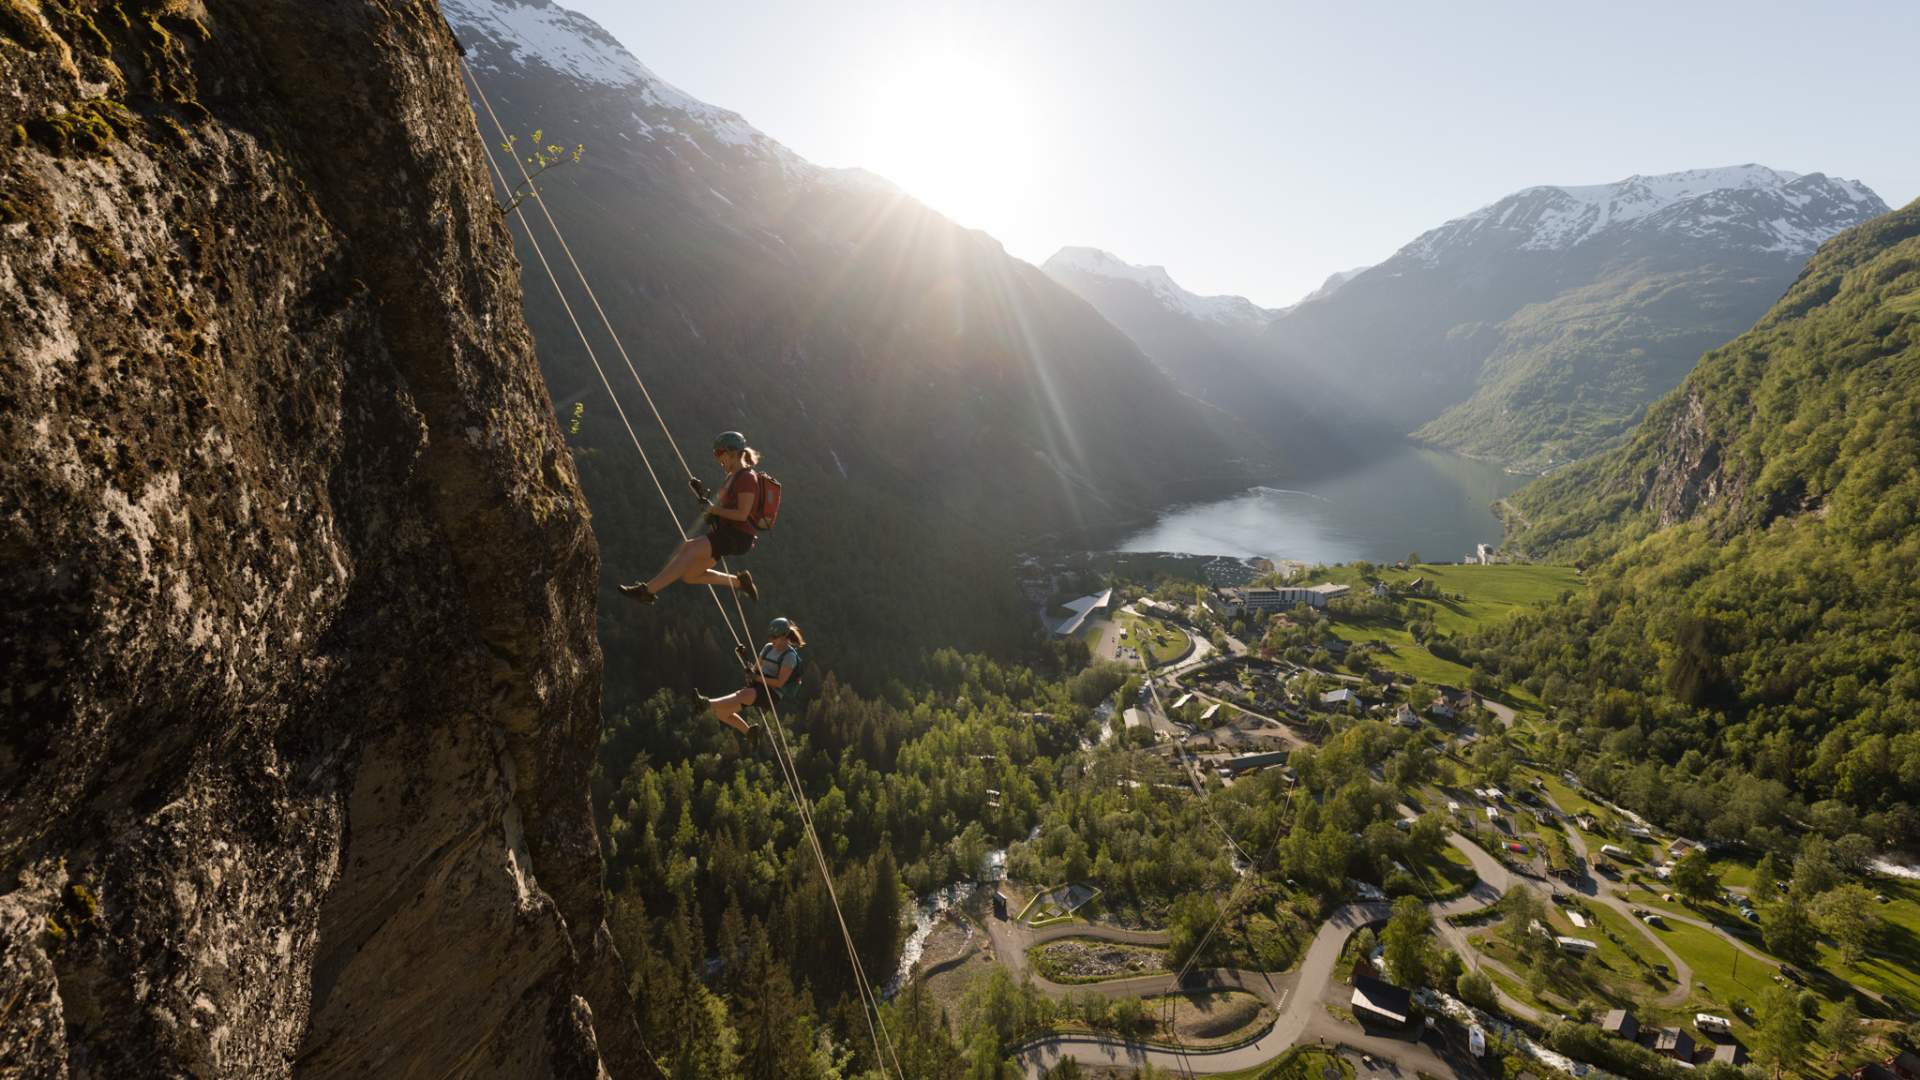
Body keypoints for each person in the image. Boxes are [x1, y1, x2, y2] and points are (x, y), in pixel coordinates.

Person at [619, 431, 762, 603]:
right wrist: (703, 496)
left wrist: (713, 510)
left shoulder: (747, 477)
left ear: (732, 452)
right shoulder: (733, 477)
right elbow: (721, 509)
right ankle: (739, 583)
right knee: (690, 575)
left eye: (719, 453)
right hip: (728, 532)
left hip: (738, 537)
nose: (717, 458)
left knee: (690, 548)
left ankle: (647, 591)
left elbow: (742, 514)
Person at [701, 618, 805, 735]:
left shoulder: (789, 657)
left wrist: (755, 678)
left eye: (774, 637)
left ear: (784, 636)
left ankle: (705, 703)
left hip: (772, 693)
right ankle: (749, 733)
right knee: (721, 714)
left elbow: (779, 682)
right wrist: (745, 660)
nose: (771, 639)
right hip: (759, 685)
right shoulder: (768, 648)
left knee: (742, 694)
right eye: (770, 636)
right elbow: (755, 669)